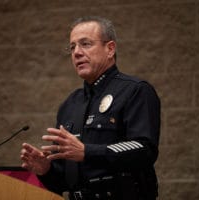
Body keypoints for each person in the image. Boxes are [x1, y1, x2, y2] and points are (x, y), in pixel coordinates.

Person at [20, 16, 160, 200]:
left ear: (110, 49)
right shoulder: (70, 104)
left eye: (85, 44)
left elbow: (144, 149)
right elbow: (65, 180)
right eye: (72, 47)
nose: (77, 52)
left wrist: (87, 151)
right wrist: (46, 170)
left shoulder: (135, 90)